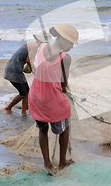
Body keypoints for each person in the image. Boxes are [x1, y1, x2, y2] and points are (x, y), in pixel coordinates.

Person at [29, 23, 78, 170]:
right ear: (62, 39)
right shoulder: (65, 57)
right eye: (71, 42)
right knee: (65, 127)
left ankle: (47, 164)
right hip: (51, 99)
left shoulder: (42, 47)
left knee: (42, 129)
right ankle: (62, 163)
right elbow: (63, 84)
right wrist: (65, 88)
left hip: (36, 96)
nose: (72, 46)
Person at [3, 31, 52, 115]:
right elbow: (28, 60)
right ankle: (8, 108)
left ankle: (23, 112)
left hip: (15, 69)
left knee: (27, 92)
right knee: (23, 93)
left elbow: (30, 61)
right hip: (14, 70)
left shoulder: (32, 45)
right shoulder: (35, 46)